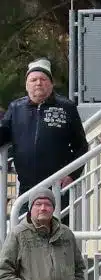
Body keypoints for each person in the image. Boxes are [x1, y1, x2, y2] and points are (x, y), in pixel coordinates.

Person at [0, 59, 89, 209]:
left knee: (57, 230)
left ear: (51, 84)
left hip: (57, 187)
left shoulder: (66, 107)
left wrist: (72, 175)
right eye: (33, 80)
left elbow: (81, 147)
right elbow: (3, 134)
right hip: (27, 189)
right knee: (26, 229)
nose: (38, 83)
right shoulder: (16, 108)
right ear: (27, 85)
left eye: (43, 79)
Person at [0, 194, 85, 280]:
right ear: (30, 208)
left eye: (48, 204)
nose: (43, 208)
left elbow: (79, 268)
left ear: (53, 209)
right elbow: (4, 272)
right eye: (38, 204)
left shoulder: (66, 234)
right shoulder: (18, 234)